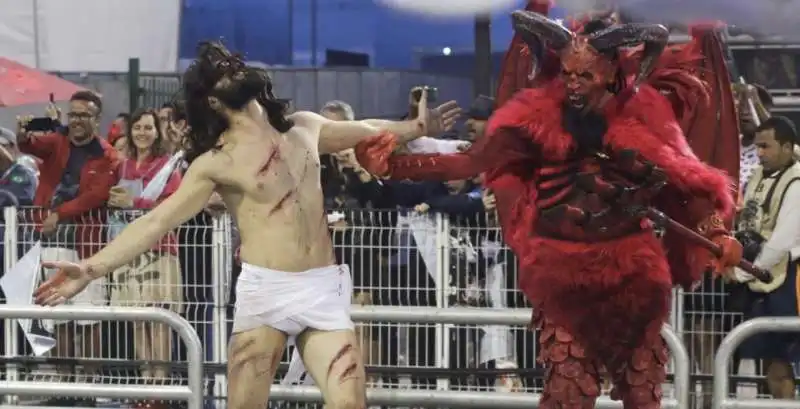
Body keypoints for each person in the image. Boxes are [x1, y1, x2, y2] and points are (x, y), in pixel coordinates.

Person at [35, 40, 460, 409]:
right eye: (220, 71)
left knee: (350, 400)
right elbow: (157, 221)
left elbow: (368, 130)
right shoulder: (215, 161)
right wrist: (91, 268)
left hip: (322, 289)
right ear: (213, 101)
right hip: (265, 293)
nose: (232, 68)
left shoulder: (305, 127)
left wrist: (415, 128)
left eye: (232, 62)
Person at [354, 9, 746, 408]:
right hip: (562, 270)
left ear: (611, 73)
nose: (573, 85)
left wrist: (717, 231)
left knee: (642, 392)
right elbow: (469, 161)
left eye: (585, 76)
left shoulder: (647, 117)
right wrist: (394, 165)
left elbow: (686, 181)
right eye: (568, 74)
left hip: (633, 270)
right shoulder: (537, 116)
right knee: (567, 389)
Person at [107, 109, 183, 406]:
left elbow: (173, 206)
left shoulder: (168, 166)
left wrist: (133, 203)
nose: (142, 132)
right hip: (129, 250)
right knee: (138, 319)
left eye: (148, 127)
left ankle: (159, 389)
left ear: (157, 132)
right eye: (137, 127)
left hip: (159, 250)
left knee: (159, 319)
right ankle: (144, 385)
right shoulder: (122, 165)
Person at [733, 116, 800, 400]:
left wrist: (742, 272)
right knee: (774, 363)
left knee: (783, 363)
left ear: (786, 147)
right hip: (762, 276)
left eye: (766, 146)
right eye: (757, 146)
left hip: (789, 279)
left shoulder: (796, 182)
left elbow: (781, 243)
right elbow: (749, 224)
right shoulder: (759, 176)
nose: (759, 153)